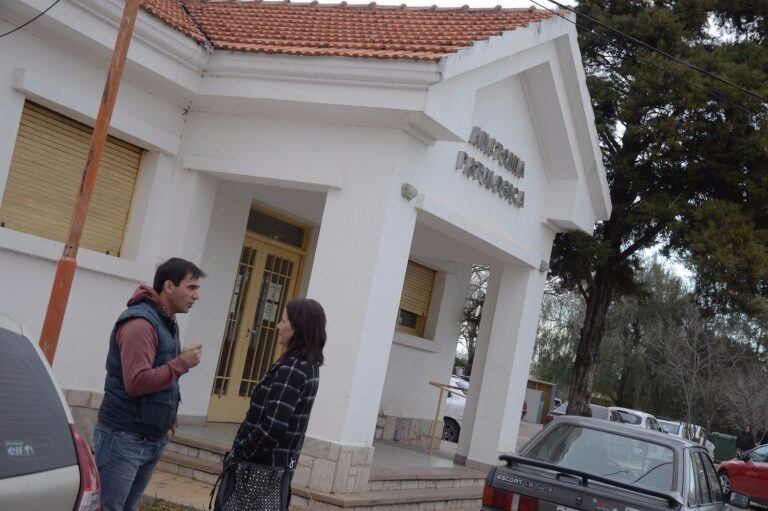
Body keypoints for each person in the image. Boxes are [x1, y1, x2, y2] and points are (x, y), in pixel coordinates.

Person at [94, 257, 206, 511]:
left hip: (152, 437)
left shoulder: (166, 320)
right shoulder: (141, 324)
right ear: (169, 286)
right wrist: (182, 363)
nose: (196, 296)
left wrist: (169, 424)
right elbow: (137, 382)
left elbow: (166, 381)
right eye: (191, 287)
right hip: (124, 437)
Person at [231, 298, 325, 511]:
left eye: (283, 321)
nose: (278, 326)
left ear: (298, 327)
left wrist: (242, 450)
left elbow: (273, 426)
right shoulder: (309, 366)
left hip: (260, 467)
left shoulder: (292, 368)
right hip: (278, 466)